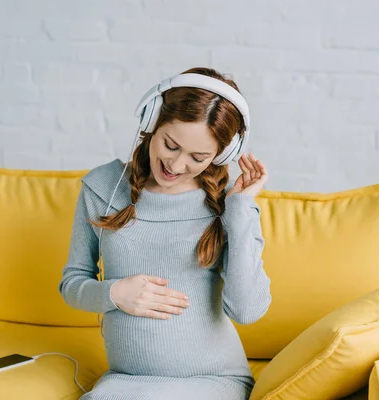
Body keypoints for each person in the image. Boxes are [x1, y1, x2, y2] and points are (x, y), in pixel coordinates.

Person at [58, 67, 272, 400]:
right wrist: (114, 294)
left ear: (221, 155)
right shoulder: (103, 187)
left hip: (214, 379)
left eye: (198, 157)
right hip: (125, 381)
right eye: (170, 145)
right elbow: (72, 284)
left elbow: (247, 310)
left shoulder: (230, 202)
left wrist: (241, 208)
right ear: (151, 123)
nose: (176, 165)